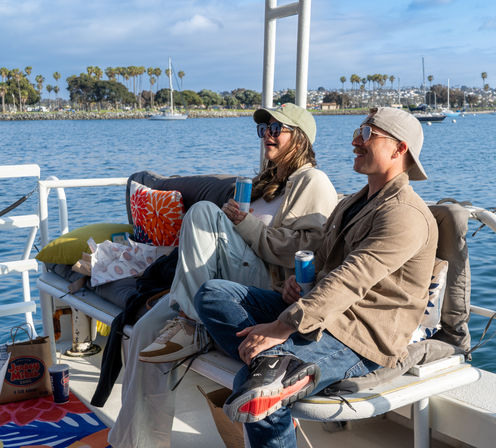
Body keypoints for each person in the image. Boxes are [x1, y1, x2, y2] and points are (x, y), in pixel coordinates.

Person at [194, 107, 438, 447]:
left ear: (399, 150)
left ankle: (272, 368)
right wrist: (297, 284)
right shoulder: (352, 203)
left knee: (256, 389)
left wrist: (281, 327)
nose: (355, 141)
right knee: (212, 294)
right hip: (319, 312)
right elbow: (324, 262)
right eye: (357, 132)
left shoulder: (405, 215)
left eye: (368, 134)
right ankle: (274, 360)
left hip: (358, 334)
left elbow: (353, 278)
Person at [107, 104, 338, 448]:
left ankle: (192, 322)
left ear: (300, 138)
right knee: (144, 331)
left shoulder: (311, 181)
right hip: (214, 283)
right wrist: (235, 223)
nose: (268, 135)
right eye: (264, 129)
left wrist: (242, 224)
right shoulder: (265, 184)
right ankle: (135, 443)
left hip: (262, 291)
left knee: (201, 211)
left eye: (277, 128)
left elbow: (304, 249)